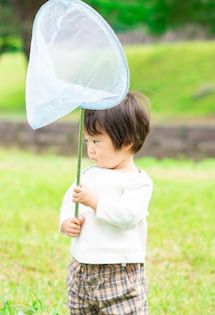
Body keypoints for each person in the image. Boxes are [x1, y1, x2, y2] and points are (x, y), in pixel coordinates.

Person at [59, 92, 153, 314]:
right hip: (81, 267)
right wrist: (65, 222)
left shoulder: (138, 182)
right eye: (87, 140)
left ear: (127, 142)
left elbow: (128, 216)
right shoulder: (88, 174)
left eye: (97, 141)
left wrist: (95, 201)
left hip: (119, 271)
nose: (90, 148)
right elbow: (69, 200)